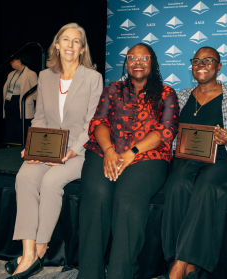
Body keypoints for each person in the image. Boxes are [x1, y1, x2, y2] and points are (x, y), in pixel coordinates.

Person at [4, 23, 103, 279]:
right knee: (24, 177)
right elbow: (39, 118)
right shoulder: (45, 76)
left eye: (76, 41)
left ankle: (40, 248)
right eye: (65, 40)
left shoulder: (93, 78)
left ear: (82, 49)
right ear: (56, 45)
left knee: (50, 182)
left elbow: (92, 123)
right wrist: (32, 145)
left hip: (79, 152)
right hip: (47, 148)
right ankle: (27, 254)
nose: (70, 45)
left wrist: (71, 150)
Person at [78, 43, 180, 279]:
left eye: (144, 58)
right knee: (97, 197)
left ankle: (119, 274)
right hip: (104, 151)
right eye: (132, 58)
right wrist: (110, 151)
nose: (138, 62)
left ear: (152, 63)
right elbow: (99, 122)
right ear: (126, 62)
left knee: (127, 198)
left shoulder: (166, 93)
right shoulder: (113, 88)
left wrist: (131, 152)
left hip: (147, 156)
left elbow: (166, 131)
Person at [160, 47, 227, 279]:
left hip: (222, 159)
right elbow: (168, 130)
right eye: (196, 61)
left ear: (219, 66)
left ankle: (179, 263)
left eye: (208, 60)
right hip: (186, 158)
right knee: (176, 185)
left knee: (206, 187)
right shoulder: (181, 96)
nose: (201, 64)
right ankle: (187, 264)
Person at [0, 54, 38, 144]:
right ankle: (10, 144)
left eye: (13, 60)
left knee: (20, 125)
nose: (10, 62)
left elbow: (36, 92)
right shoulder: (11, 74)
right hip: (9, 101)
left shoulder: (30, 74)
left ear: (19, 61)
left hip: (22, 102)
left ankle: (21, 144)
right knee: (10, 124)